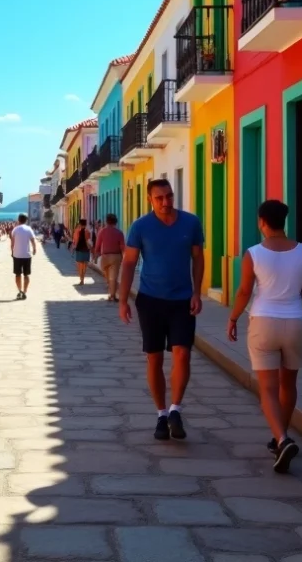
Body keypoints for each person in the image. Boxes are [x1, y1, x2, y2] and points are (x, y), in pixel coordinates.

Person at [227, 199, 302, 474]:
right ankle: (281, 437)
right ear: (283, 221)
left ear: (262, 221)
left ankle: (282, 438)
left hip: (264, 321)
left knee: (267, 388)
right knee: (288, 384)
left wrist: (233, 318)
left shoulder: (254, 253)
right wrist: (297, 308)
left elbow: (244, 292)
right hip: (295, 321)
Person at [119, 178, 205, 441]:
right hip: (150, 300)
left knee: (182, 354)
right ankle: (161, 415)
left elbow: (198, 258)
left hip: (182, 300)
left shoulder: (190, 222)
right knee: (154, 358)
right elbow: (129, 263)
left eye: (169, 196)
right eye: (160, 198)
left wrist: (197, 292)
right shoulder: (140, 226)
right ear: (150, 200)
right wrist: (123, 300)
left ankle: (176, 409)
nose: (166, 202)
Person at [93, 214, 125, 302]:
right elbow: (122, 247)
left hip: (105, 257)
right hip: (116, 256)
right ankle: (112, 294)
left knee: (108, 277)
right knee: (113, 277)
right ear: (116, 222)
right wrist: (125, 257)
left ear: (107, 221)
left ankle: (112, 294)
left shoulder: (102, 232)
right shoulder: (119, 233)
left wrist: (95, 256)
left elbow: (98, 245)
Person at [10, 213, 37, 300]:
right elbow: (33, 240)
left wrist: (12, 251)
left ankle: (19, 291)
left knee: (18, 274)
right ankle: (25, 291)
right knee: (26, 275)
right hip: (27, 255)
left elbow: (12, 243)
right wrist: (34, 249)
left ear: (18, 220)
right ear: (26, 220)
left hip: (17, 255)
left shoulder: (15, 230)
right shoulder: (29, 229)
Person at [71, 219, 91, 285]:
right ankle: (83, 278)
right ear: (85, 224)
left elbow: (74, 241)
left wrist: (72, 248)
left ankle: (81, 279)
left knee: (79, 265)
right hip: (86, 250)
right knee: (85, 265)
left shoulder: (76, 231)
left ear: (80, 224)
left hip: (79, 250)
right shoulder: (88, 232)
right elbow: (89, 241)